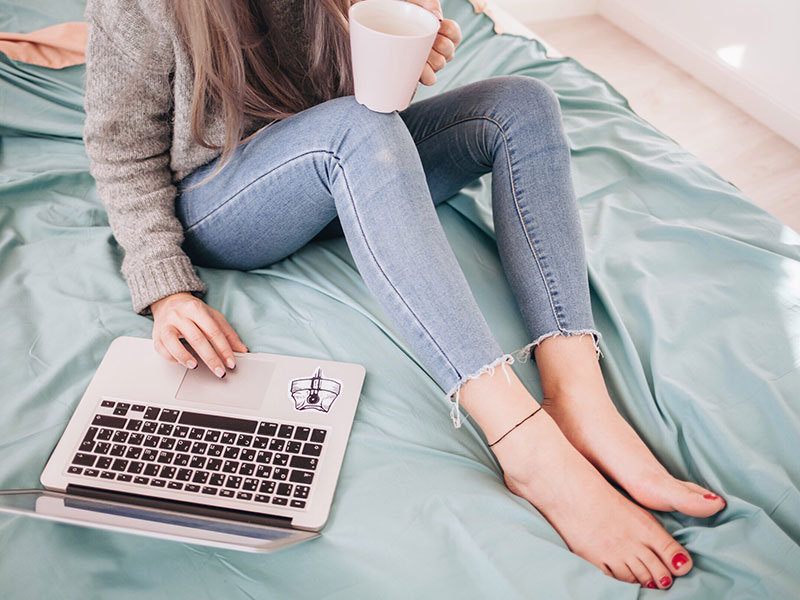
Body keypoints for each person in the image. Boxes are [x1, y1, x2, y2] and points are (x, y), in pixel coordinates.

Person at [82, 0, 725, 589]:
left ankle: (578, 397)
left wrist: (406, 50)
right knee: (354, 133)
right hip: (225, 198)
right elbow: (120, 150)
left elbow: (363, 98)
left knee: (522, 104)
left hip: (348, 157)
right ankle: (526, 446)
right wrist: (165, 287)